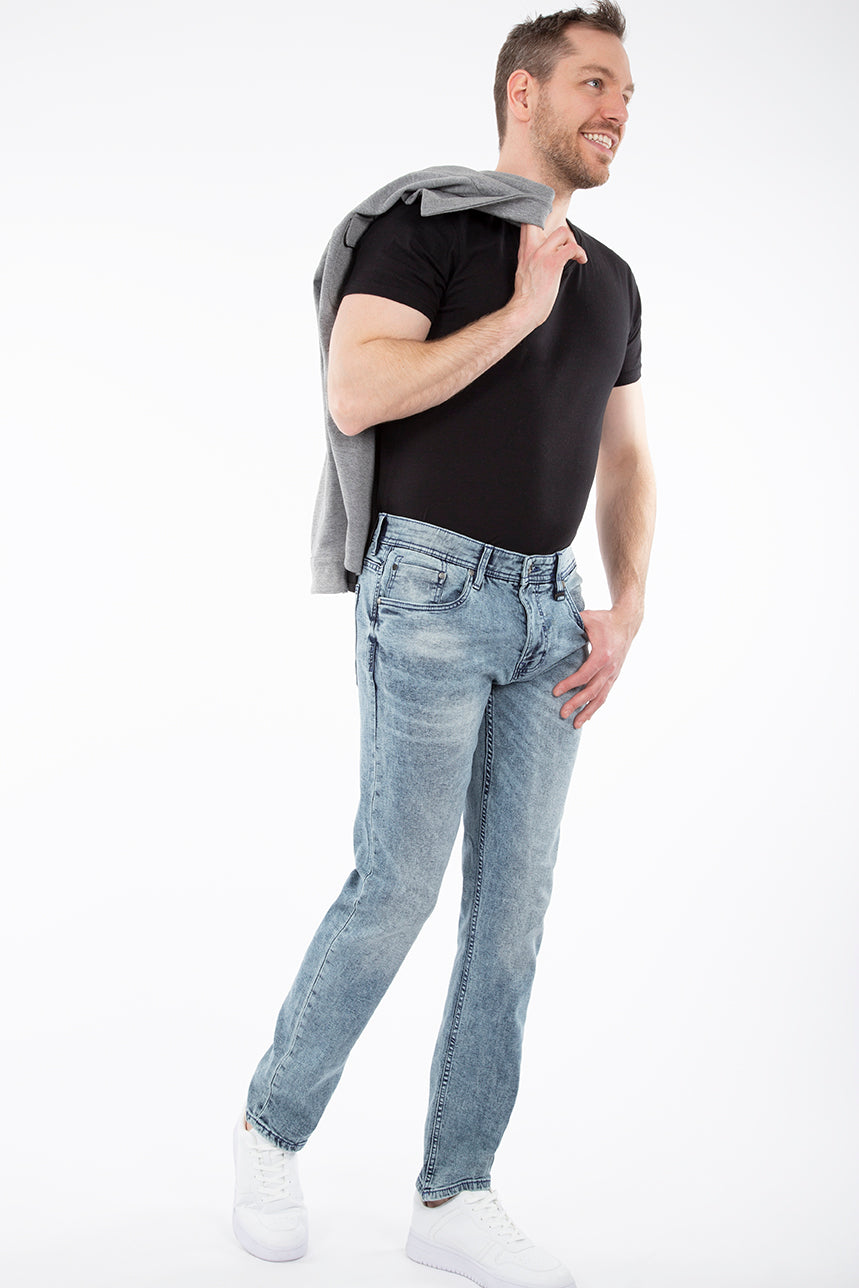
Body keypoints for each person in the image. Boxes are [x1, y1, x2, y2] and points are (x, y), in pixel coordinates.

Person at [233, 6, 656, 1286]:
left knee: (512, 915)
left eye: (627, 93)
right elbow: (356, 388)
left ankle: (454, 1189)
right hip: (425, 592)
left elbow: (626, 460)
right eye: (594, 83)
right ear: (523, 92)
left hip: (549, 611)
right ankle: (270, 1129)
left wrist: (626, 606)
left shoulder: (613, 279)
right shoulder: (425, 228)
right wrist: (519, 311)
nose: (617, 110)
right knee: (397, 887)